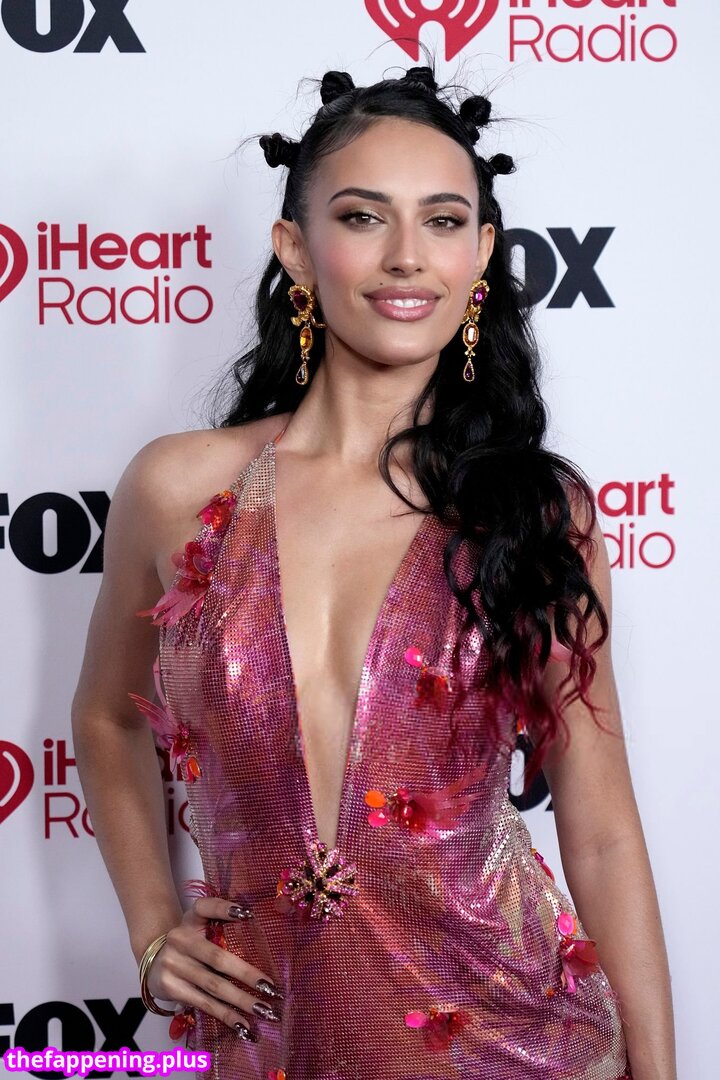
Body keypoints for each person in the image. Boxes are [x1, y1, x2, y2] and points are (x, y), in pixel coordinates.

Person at [72, 62, 676, 1079]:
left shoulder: (535, 514)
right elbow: (104, 716)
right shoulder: (177, 489)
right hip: (275, 1041)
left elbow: (603, 826)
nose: (407, 256)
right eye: (363, 217)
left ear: (481, 256)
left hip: (520, 1045)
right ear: (295, 251)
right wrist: (152, 928)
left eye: (444, 221)